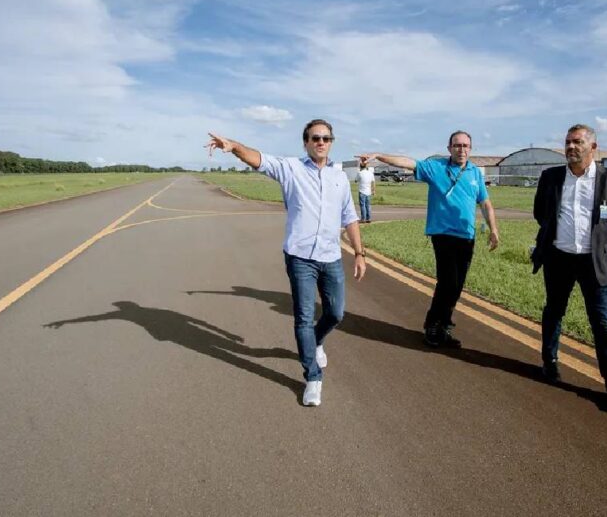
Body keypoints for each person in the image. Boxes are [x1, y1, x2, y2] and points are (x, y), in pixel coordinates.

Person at [206, 119, 366, 407]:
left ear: (331, 142)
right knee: (304, 317)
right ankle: (313, 377)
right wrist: (233, 147)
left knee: (336, 313)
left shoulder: (340, 178)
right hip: (300, 257)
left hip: (330, 257)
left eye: (326, 138)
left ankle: (316, 342)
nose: (321, 142)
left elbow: (350, 217)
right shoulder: (290, 168)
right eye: (315, 138)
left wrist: (359, 252)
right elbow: (257, 158)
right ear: (306, 142)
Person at [361, 130, 499, 348]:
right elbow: (408, 163)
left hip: (467, 236)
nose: (461, 149)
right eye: (457, 145)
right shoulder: (436, 168)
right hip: (443, 235)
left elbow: (486, 204)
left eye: (465, 146)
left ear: (470, 149)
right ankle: (433, 325)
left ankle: (443, 327)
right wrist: (379, 156)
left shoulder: (474, 173)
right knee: (448, 282)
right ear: (449, 148)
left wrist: (493, 229)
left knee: (457, 286)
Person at [531, 124, 607, 409]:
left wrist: (597, 239)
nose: (571, 147)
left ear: (593, 147)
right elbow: (541, 213)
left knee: (603, 323)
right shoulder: (551, 177)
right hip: (558, 257)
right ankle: (549, 361)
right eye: (567, 142)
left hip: (593, 261)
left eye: (577, 142)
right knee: (554, 310)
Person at [355, 159, 376, 223]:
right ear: (366, 167)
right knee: (368, 205)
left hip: (362, 191)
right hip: (368, 192)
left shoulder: (360, 173)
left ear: (360, 167)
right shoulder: (370, 173)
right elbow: (373, 182)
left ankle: (363, 219)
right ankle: (368, 218)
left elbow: (356, 180)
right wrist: (374, 190)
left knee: (362, 205)